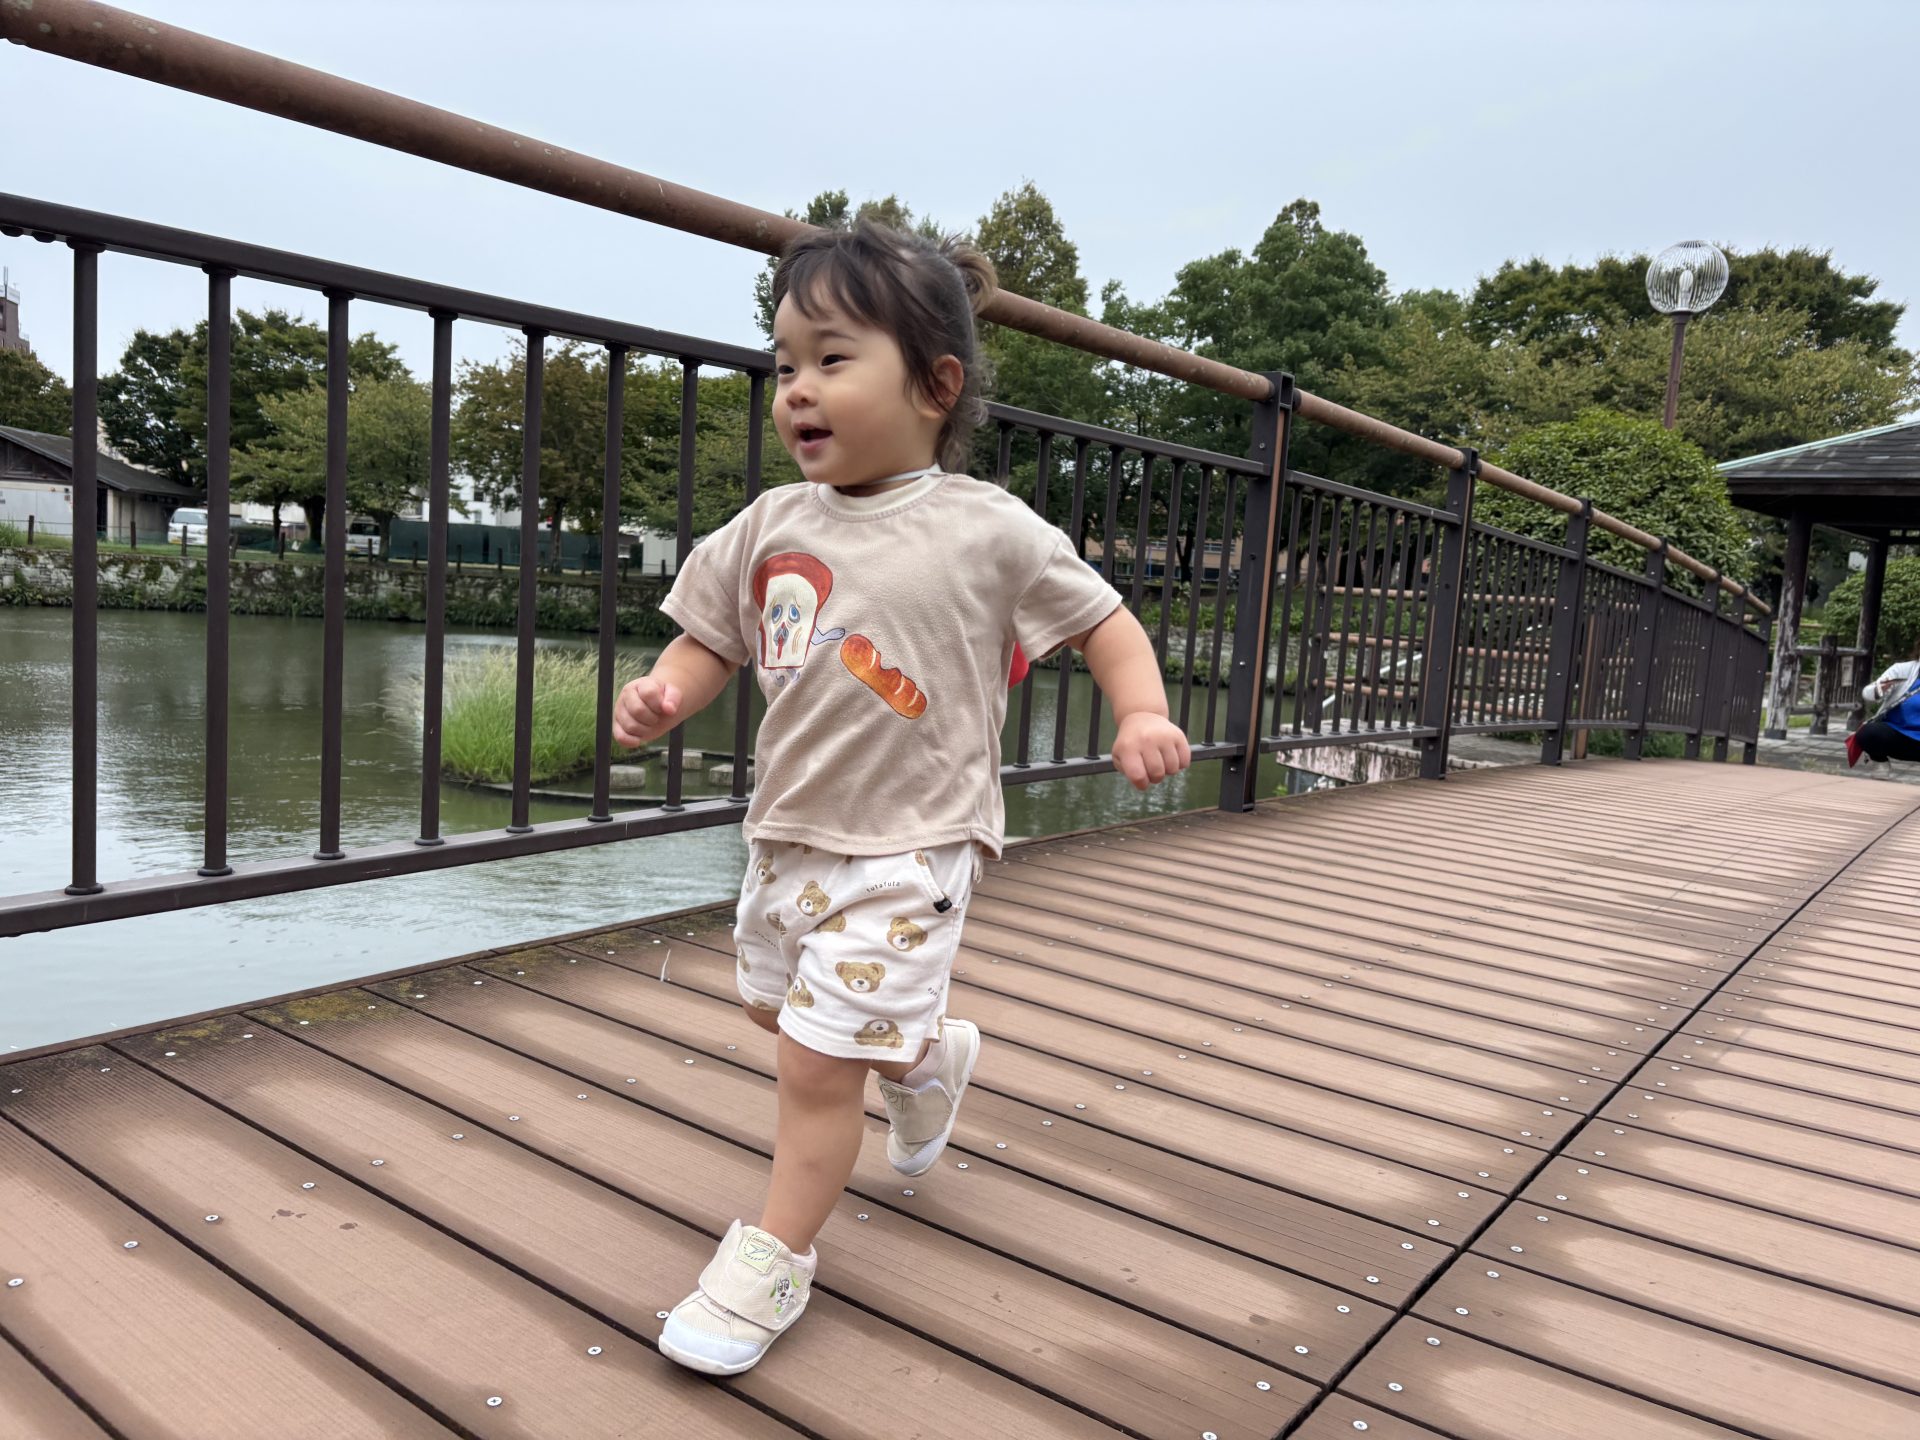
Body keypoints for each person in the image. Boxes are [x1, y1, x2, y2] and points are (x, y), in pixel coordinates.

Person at [611, 219, 1191, 1376]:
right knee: (782, 1018)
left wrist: (1139, 711)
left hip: (917, 847)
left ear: (936, 386)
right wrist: (668, 692)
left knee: (816, 1064)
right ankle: (928, 1062)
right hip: (790, 835)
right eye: (784, 364)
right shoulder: (770, 525)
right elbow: (711, 638)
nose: (797, 389)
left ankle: (774, 1258)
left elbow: (1103, 620)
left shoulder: (987, 528)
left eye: (832, 360)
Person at [1848, 649, 1920, 766]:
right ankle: (1880, 763)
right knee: (1868, 733)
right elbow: (1868, 693)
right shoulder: (1903, 670)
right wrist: (1879, 689)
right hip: (1899, 733)